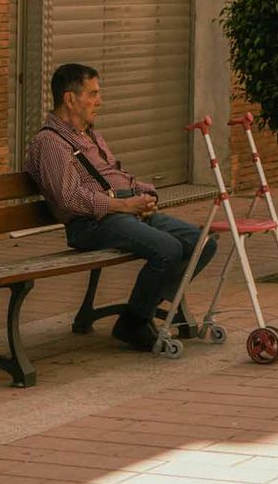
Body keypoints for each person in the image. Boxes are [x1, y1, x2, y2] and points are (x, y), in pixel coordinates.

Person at [24, 63, 217, 351]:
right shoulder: (51, 142)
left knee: (202, 243)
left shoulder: (91, 135)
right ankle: (136, 322)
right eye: (93, 94)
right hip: (91, 223)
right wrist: (123, 205)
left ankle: (141, 309)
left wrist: (146, 195)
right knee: (168, 249)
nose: (99, 101)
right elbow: (69, 198)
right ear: (70, 99)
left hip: (124, 213)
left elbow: (116, 174)